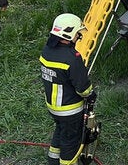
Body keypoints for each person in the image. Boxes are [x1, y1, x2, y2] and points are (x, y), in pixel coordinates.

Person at [40, 13, 95, 165]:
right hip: (69, 110)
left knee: (60, 132)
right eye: (78, 33)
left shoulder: (46, 51)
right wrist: (90, 94)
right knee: (71, 142)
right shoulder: (72, 58)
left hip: (53, 108)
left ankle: (53, 160)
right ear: (69, 33)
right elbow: (83, 88)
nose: (79, 37)